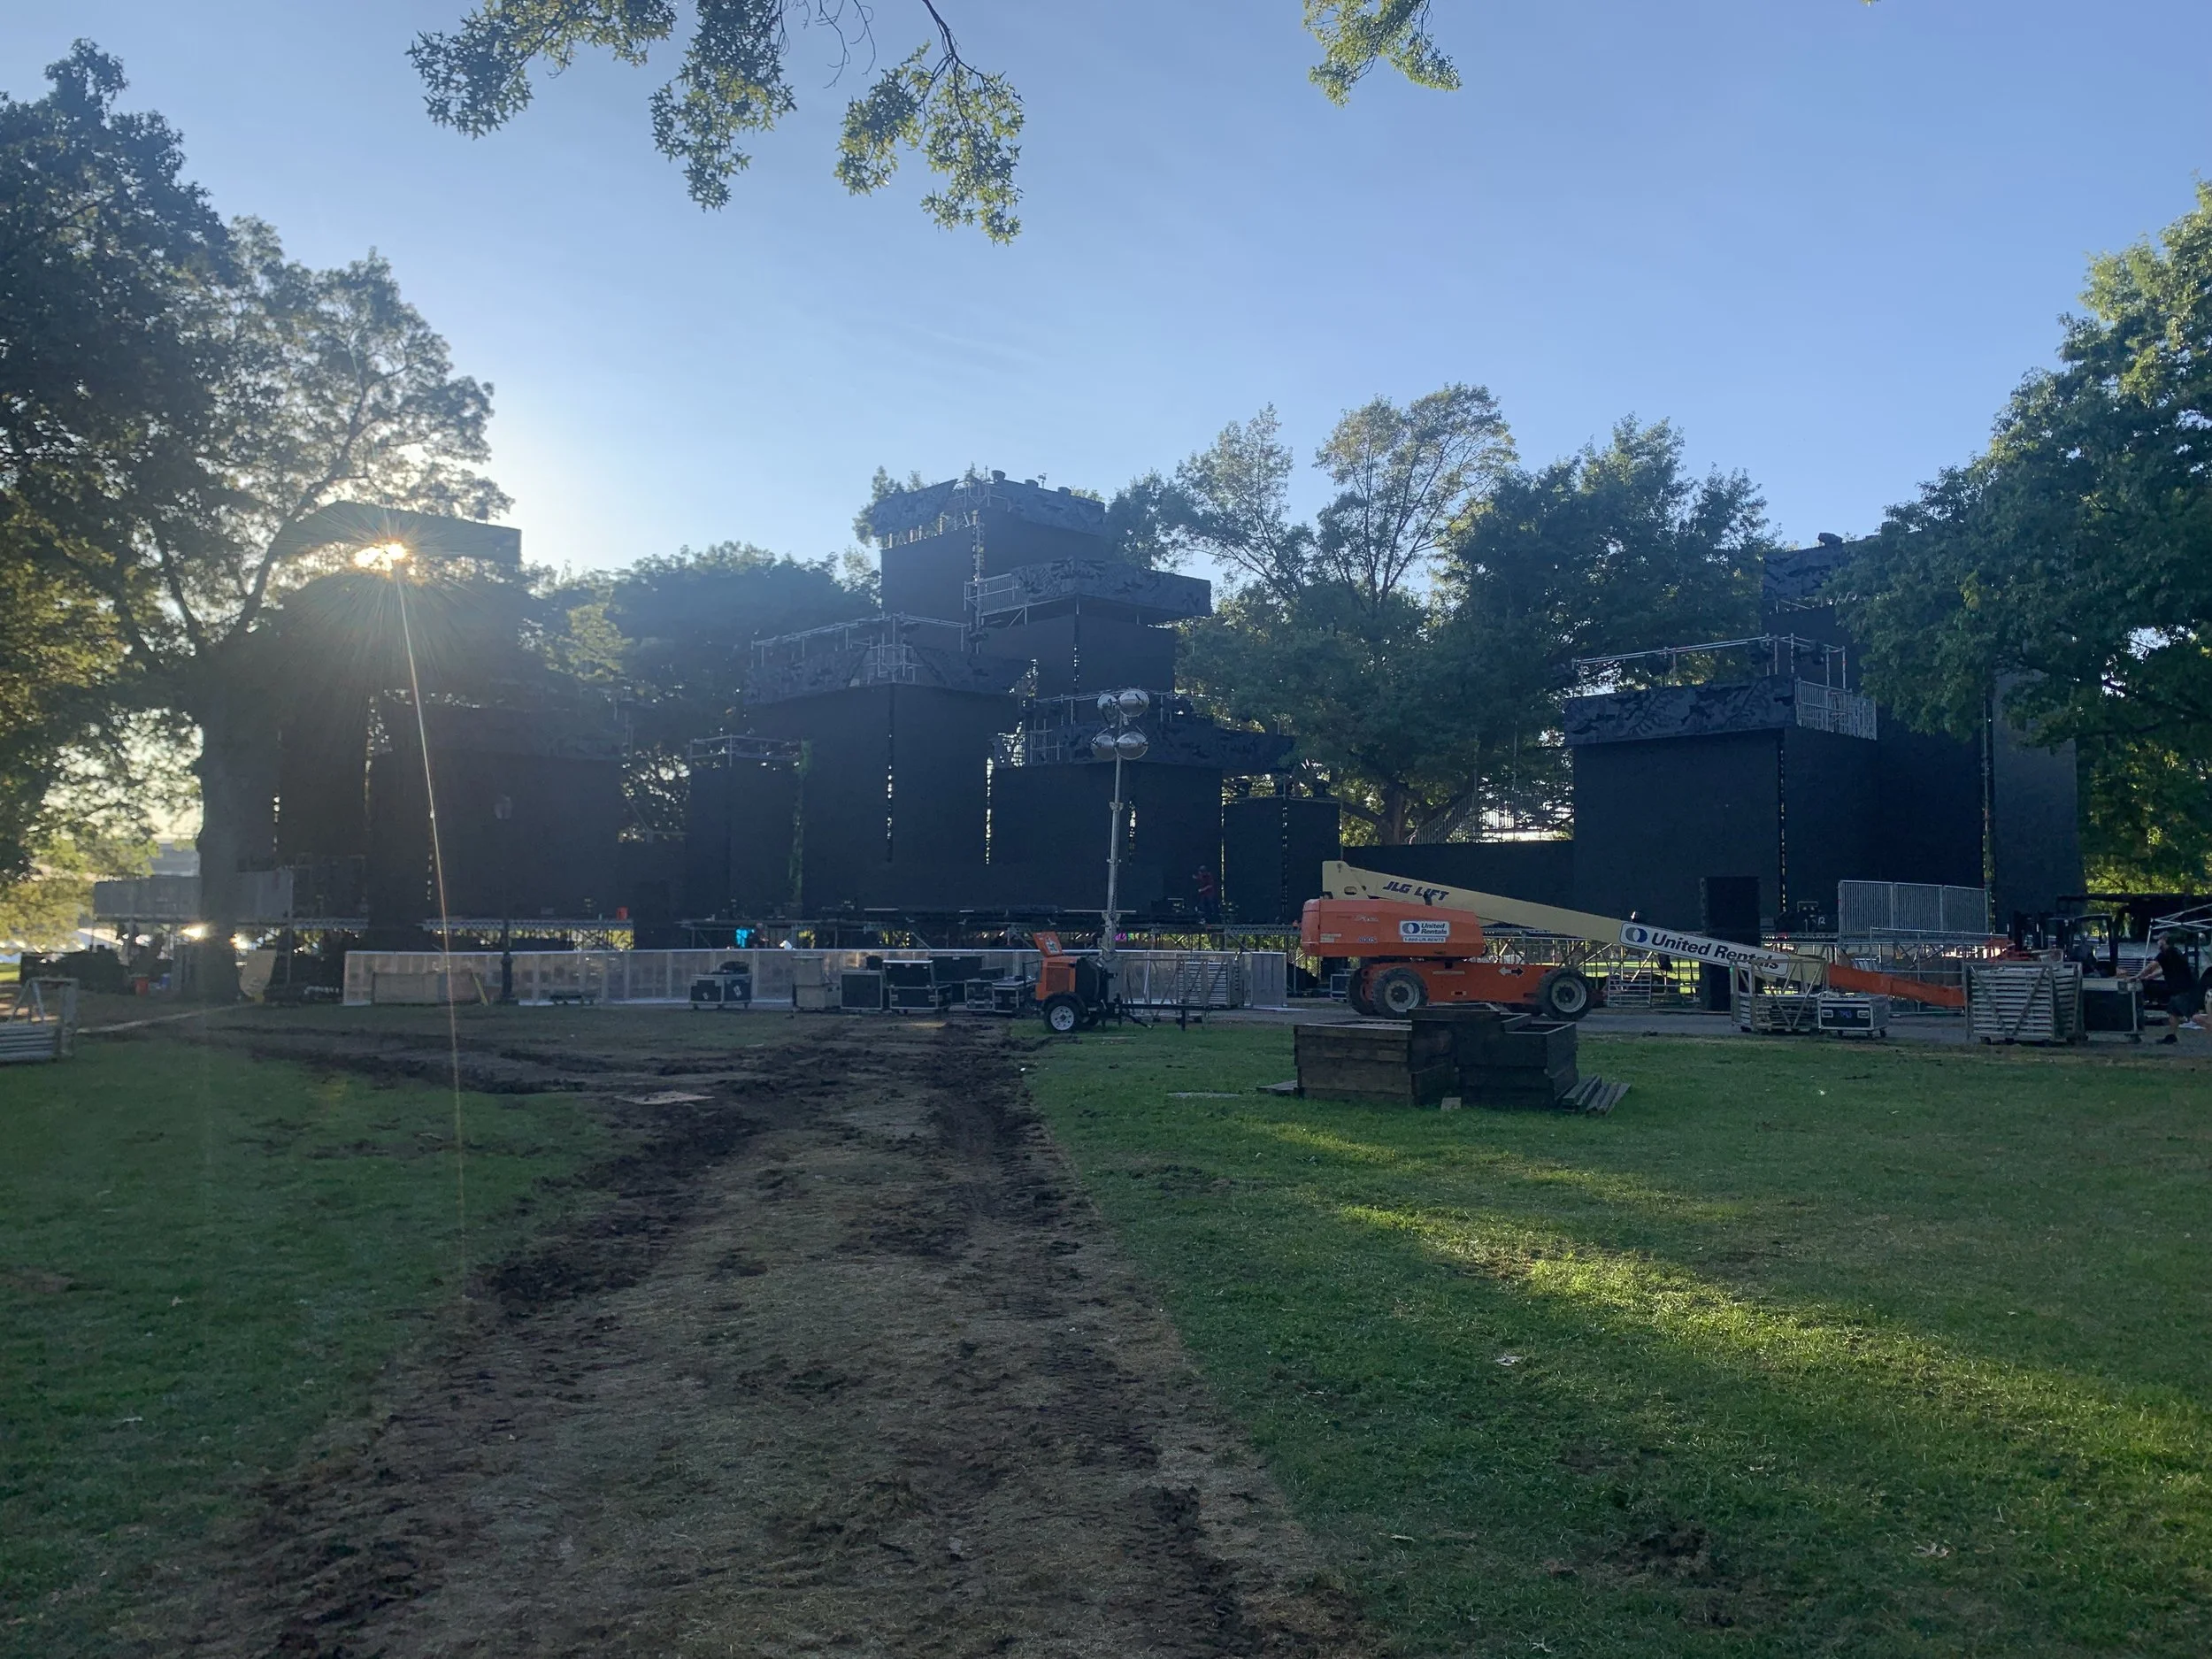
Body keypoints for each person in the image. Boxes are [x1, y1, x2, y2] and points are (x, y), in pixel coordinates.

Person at [2136, 933, 2202, 1043]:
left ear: (2164, 940)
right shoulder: (2174, 952)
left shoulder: (2166, 953)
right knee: (2172, 1011)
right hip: (2180, 989)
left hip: (2184, 989)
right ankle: (2172, 1036)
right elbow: (2162, 970)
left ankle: (2208, 1023)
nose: (2157, 942)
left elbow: (2152, 966)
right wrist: (2147, 977)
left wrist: (2137, 976)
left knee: (2193, 1015)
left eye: (2159, 940)